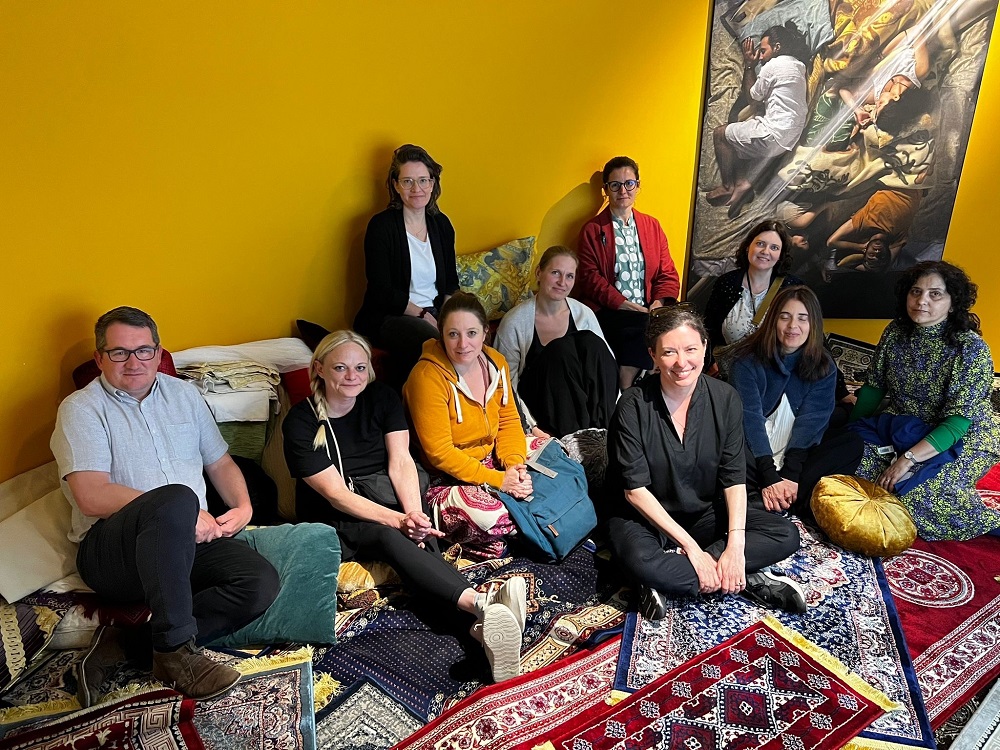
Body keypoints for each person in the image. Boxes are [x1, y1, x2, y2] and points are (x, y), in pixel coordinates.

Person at [49, 307, 281, 705]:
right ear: (100, 358)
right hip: (114, 553)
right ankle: (177, 652)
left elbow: (220, 462)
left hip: (184, 542)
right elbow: (90, 494)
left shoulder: (184, 395)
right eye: (120, 352)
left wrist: (242, 508)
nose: (134, 362)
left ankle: (131, 644)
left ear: (158, 353)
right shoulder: (81, 409)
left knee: (257, 582)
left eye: (143, 351)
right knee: (177, 497)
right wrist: (185, 512)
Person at [282, 330, 526, 682]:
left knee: (419, 534)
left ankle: (480, 633)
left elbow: (401, 462)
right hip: (335, 516)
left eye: (360, 368)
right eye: (340, 367)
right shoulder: (301, 422)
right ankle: (481, 605)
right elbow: (336, 495)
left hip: (386, 498)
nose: (352, 376)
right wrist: (399, 520)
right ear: (319, 369)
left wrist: (414, 514)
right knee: (390, 536)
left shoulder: (382, 398)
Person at [607, 306, 805, 620]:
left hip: (702, 514)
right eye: (669, 352)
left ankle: (710, 573)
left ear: (704, 347)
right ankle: (738, 578)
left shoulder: (726, 398)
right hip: (646, 517)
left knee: (786, 534)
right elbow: (634, 492)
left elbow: (734, 477)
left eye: (690, 349)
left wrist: (735, 549)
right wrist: (693, 551)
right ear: (653, 356)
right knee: (637, 560)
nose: (682, 362)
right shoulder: (632, 405)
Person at [849, 261, 1000, 540]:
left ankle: (990, 523)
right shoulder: (895, 332)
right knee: (851, 465)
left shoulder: (970, 349)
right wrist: (850, 432)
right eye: (915, 292)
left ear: (953, 303)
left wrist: (905, 460)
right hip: (905, 424)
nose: (922, 301)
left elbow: (956, 424)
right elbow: (874, 388)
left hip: (962, 437)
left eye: (935, 294)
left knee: (915, 492)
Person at [403, 293, 532, 559]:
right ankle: (528, 530)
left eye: (472, 332)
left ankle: (519, 533)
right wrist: (499, 481)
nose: (463, 344)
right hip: (448, 478)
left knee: (560, 460)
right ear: (441, 334)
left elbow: (509, 421)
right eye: (453, 334)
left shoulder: (496, 362)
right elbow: (440, 453)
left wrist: (514, 466)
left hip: (493, 460)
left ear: (485, 332)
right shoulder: (427, 377)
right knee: (492, 516)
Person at [728, 286, 863, 514]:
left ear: (813, 325)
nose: (793, 327)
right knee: (723, 449)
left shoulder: (824, 366)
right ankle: (780, 498)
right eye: (785, 317)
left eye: (803, 319)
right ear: (773, 320)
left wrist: (791, 475)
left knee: (851, 443)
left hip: (795, 454)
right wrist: (769, 475)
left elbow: (811, 422)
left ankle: (779, 498)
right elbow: (749, 420)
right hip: (753, 451)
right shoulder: (746, 362)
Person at [354, 144, 460, 380]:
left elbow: (451, 282)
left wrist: (451, 317)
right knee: (432, 344)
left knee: (471, 337)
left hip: (435, 311)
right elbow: (382, 290)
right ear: (395, 185)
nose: (417, 189)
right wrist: (424, 316)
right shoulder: (381, 227)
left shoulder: (441, 225)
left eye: (423, 180)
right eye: (408, 181)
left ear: (433, 184)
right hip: (391, 316)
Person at [576, 156, 681, 390]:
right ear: (606, 190)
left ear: (638, 185)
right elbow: (590, 278)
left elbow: (668, 272)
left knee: (676, 326)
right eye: (615, 185)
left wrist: (658, 302)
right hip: (611, 311)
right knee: (643, 326)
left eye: (629, 183)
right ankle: (627, 386)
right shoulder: (592, 230)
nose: (623, 190)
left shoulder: (652, 226)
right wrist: (626, 304)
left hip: (650, 309)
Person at [495, 245, 618, 438]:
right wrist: (529, 426)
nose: (562, 282)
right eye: (555, 273)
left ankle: (602, 435)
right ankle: (573, 440)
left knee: (591, 343)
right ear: (539, 273)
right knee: (561, 351)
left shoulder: (583, 314)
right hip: (540, 408)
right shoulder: (515, 322)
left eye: (569, 276)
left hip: (585, 408)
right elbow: (505, 384)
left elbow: (605, 367)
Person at [706, 22, 809, 217]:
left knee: (720, 133)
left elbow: (752, 97)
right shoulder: (800, 66)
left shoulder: (772, 66)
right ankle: (743, 183)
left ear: (777, 48)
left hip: (772, 135)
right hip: (789, 140)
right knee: (740, 134)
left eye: (763, 51)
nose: (761, 56)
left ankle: (728, 186)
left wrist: (749, 65)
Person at [702, 219, 803, 355]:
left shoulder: (793, 287)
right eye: (760, 244)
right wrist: (712, 362)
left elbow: (807, 336)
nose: (765, 251)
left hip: (776, 373)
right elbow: (708, 331)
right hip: (730, 373)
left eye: (774, 247)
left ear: (780, 255)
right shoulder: (726, 283)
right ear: (748, 247)